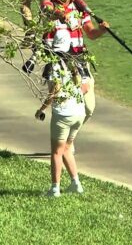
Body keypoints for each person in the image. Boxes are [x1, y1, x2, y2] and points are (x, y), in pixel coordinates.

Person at [39, 0, 109, 153]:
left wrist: (102, 31)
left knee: (88, 107)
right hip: (58, 60)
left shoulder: (79, 6)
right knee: (60, 100)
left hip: (79, 59)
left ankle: (69, 140)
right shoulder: (49, 3)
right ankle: (59, 145)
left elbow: (91, 33)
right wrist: (60, 15)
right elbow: (47, 11)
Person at [35, 56, 86, 197]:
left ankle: (54, 189)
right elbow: (84, 87)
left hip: (64, 115)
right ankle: (76, 184)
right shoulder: (74, 62)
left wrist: (41, 110)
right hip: (79, 112)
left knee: (57, 152)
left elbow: (54, 92)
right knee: (67, 148)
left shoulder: (53, 66)